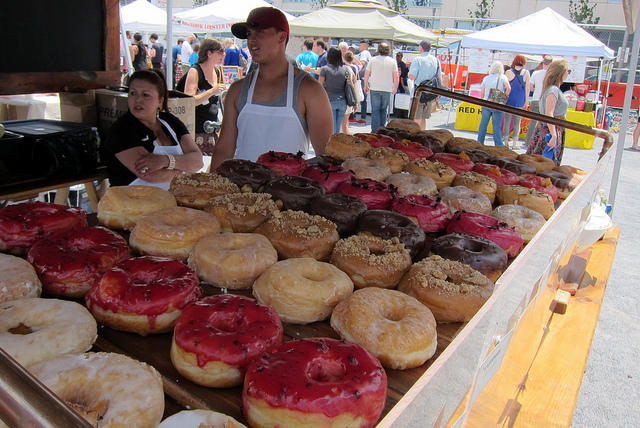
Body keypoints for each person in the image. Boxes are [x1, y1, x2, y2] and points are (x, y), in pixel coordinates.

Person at [209, 7, 332, 169]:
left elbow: (326, 158)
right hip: (242, 191)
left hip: (290, 192)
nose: (251, 40)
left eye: (259, 32)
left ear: (282, 37)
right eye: (249, 34)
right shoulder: (237, 90)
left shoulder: (310, 90)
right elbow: (224, 148)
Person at [101, 70, 203, 190]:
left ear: (160, 101)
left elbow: (197, 161)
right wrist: (183, 169)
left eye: (146, 95)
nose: (138, 99)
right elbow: (150, 175)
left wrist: (165, 161)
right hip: (132, 201)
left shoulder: (171, 121)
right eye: (133, 93)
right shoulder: (122, 130)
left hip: (172, 199)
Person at [184, 38, 227, 157]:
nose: (224, 54)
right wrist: (211, 91)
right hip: (195, 131)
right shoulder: (195, 71)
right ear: (209, 53)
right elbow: (189, 102)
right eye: (221, 51)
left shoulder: (217, 71)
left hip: (211, 130)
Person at [525, 59, 570, 165]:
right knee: (543, 163)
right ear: (561, 72)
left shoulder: (553, 89)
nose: (568, 74)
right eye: (568, 71)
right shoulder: (553, 90)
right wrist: (554, 136)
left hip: (551, 128)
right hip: (549, 129)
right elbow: (549, 113)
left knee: (542, 162)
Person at [364, 42, 398, 133]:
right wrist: (395, 87)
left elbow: (367, 73)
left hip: (375, 87)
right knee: (384, 109)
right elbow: (396, 76)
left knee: (375, 109)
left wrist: (366, 84)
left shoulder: (373, 60)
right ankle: (382, 129)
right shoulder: (392, 61)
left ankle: (375, 130)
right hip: (387, 88)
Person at [319, 47, 354, 134]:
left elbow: (319, 86)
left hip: (330, 100)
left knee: (332, 127)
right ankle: (336, 142)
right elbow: (351, 85)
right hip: (343, 101)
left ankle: (333, 144)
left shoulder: (325, 69)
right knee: (338, 126)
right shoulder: (346, 69)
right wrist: (355, 101)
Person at [408, 40, 441, 130]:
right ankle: (422, 136)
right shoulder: (436, 60)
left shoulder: (417, 59)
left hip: (418, 92)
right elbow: (439, 77)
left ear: (421, 48)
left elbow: (412, 76)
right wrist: (438, 93)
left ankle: (416, 138)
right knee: (423, 118)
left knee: (416, 118)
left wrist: (408, 73)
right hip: (430, 92)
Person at [478, 61, 511, 146]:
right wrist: (504, 97)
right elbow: (508, 88)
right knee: (496, 125)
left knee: (483, 124)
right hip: (497, 104)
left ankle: (480, 141)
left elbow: (482, 93)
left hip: (486, 102)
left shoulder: (486, 78)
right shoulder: (503, 77)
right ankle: (498, 144)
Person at [502, 54, 531, 149]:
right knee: (517, 122)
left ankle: (506, 141)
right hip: (520, 99)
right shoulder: (526, 73)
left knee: (507, 120)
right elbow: (527, 89)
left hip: (510, 98)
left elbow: (505, 87)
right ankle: (515, 143)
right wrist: (526, 101)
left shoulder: (508, 72)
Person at [525, 54, 553, 144]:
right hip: (546, 99)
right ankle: (539, 141)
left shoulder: (536, 73)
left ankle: (528, 141)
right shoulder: (551, 75)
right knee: (543, 123)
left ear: (542, 63)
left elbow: (531, 87)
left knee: (533, 122)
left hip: (535, 99)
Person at [356, 39, 372, 123]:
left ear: (365, 46)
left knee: (360, 97)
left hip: (361, 78)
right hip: (364, 78)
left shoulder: (364, 53)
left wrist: (355, 67)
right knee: (363, 98)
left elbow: (362, 64)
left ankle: (362, 117)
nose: (359, 47)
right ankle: (363, 116)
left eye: (360, 45)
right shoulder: (367, 53)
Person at [394, 51, 409, 118]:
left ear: (401, 57)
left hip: (400, 84)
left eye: (399, 56)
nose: (398, 57)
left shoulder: (403, 65)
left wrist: (403, 85)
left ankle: (400, 112)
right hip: (395, 83)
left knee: (400, 98)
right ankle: (395, 111)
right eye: (397, 56)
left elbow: (403, 76)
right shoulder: (394, 63)